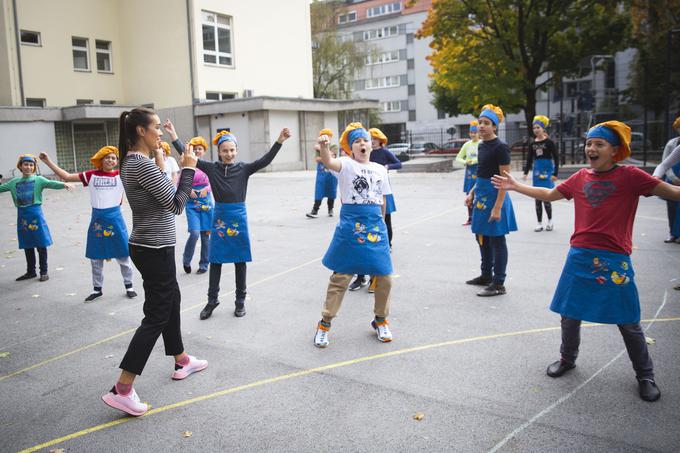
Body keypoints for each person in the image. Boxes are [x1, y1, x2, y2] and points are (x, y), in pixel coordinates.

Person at [492, 120, 680, 402]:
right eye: (589, 143)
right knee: (569, 315)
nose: (591, 148)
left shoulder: (632, 177)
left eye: (598, 144)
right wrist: (516, 185)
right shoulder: (580, 178)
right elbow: (549, 194)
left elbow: (674, 193)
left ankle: (645, 374)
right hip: (579, 256)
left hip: (615, 259)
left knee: (628, 322)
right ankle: (567, 359)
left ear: (615, 150)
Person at [102, 108, 207, 417]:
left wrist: (162, 164)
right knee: (157, 315)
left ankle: (181, 359)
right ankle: (122, 388)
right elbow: (176, 204)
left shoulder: (137, 162)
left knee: (170, 299)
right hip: (154, 247)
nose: (160, 132)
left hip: (151, 245)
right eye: (156, 127)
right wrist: (187, 169)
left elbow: (159, 195)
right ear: (140, 132)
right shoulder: (138, 164)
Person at [163, 120, 291, 320]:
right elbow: (187, 154)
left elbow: (265, 160)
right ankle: (212, 300)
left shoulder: (244, 168)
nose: (229, 154)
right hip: (220, 218)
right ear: (219, 152)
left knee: (240, 261)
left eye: (232, 150)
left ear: (237, 150)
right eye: (225, 151)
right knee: (216, 261)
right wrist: (173, 134)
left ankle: (240, 301)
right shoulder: (211, 168)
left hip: (238, 218)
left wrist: (279, 141)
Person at [313, 122, 394, 348]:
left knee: (385, 276)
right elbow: (328, 161)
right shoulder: (346, 165)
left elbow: (383, 199)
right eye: (357, 141)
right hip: (350, 225)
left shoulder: (380, 169)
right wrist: (323, 146)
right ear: (350, 147)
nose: (362, 143)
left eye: (365, 140)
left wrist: (383, 227)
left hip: (376, 226)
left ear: (371, 145)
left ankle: (380, 320)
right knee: (340, 278)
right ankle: (324, 324)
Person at [39, 148, 137, 301]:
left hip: (116, 220)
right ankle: (97, 289)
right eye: (107, 158)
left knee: (123, 255)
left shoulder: (121, 175)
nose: (111, 160)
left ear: (117, 161)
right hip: (97, 220)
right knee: (95, 257)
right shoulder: (91, 175)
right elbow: (66, 176)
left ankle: (129, 285)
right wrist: (47, 161)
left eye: (114, 158)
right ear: (100, 160)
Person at [465, 104, 517, 297]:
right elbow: (482, 174)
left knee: (497, 239)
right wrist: (471, 192)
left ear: (494, 126)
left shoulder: (501, 147)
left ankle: (499, 282)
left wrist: (498, 207)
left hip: (496, 195)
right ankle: (486, 275)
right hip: (481, 195)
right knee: (482, 237)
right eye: (480, 122)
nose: (482, 126)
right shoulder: (481, 145)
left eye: (486, 123)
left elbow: (505, 180)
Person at [0, 154, 72, 282]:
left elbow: (51, 183)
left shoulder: (39, 180)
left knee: (41, 243)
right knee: (27, 244)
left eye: (31, 165)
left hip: (36, 215)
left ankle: (44, 271)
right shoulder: (13, 182)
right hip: (22, 216)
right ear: (20, 167)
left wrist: (64, 184)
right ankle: (30, 271)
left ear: (34, 167)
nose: (28, 167)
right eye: (26, 164)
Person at [348, 127, 401, 293]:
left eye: (372, 139)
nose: (370, 142)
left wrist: (386, 166)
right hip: (362, 200)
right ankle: (360, 277)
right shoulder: (355, 159)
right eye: (360, 141)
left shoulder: (384, 153)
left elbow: (398, 163)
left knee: (383, 225)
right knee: (359, 240)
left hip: (379, 194)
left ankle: (375, 275)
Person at [174, 136, 213, 275]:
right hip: (192, 206)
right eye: (194, 149)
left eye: (200, 149)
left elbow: (213, 182)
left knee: (205, 236)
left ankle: (204, 264)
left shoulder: (207, 166)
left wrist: (206, 190)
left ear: (204, 151)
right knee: (195, 233)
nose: (197, 151)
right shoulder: (186, 166)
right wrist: (188, 191)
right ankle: (186, 259)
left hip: (207, 204)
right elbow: (179, 184)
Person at [522, 115, 559, 232]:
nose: (536, 130)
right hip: (537, 173)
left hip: (547, 172)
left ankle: (550, 221)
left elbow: (557, 158)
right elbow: (529, 159)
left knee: (547, 197)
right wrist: (526, 172)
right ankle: (539, 223)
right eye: (534, 128)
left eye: (538, 127)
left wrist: (555, 173)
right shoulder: (532, 144)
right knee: (537, 197)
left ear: (543, 128)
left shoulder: (549, 142)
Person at [306, 128, 338, 219]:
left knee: (331, 191)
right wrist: (326, 156)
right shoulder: (319, 147)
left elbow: (332, 156)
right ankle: (315, 210)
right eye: (323, 135)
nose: (325, 137)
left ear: (330, 137)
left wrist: (321, 149)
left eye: (327, 135)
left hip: (332, 173)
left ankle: (330, 209)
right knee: (319, 191)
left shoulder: (334, 146)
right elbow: (317, 159)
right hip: (321, 173)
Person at [659, 116, 680, 242]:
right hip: (673, 179)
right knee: (672, 208)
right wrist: (673, 178)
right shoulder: (672, 144)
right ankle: (673, 233)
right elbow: (665, 163)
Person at [456, 120, 480, 226]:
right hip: (469, 173)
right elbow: (458, 158)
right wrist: (465, 162)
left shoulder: (482, 143)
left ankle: (480, 217)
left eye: (475, 132)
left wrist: (474, 161)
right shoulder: (467, 145)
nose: (473, 134)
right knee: (469, 196)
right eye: (471, 132)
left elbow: (483, 158)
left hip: (480, 171)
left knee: (479, 195)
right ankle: (470, 218)